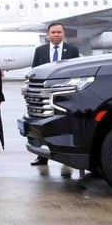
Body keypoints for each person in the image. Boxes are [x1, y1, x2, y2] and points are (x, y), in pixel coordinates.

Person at [29, 23, 79, 172]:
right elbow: (35, 71)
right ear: (48, 34)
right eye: (53, 32)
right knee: (42, 124)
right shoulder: (40, 51)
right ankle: (42, 156)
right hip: (44, 95)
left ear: (64, 34)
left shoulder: (72, 50)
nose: (56, 34)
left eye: (59, 32)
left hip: (64, 94)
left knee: (66, 124)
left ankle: (68, 158)